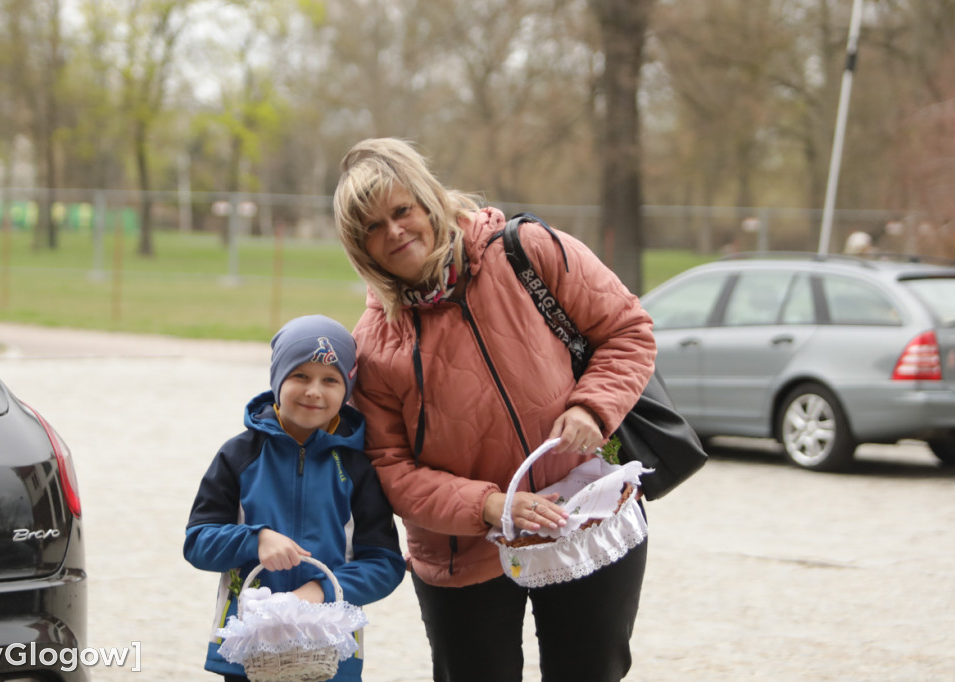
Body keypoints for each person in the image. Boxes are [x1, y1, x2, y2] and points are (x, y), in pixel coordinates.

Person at [333, 138, 657, 681]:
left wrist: (593, 409)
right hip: (463, 554)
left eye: (401, 210)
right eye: (370, 226)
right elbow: (389, 468)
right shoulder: (372, 344)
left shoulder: (526, 251)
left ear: (428, 200)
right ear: (359, 247)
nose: (392, 231)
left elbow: (628, 330)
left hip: (580, 515)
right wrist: (489, 506)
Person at [183, 314, 407, 682]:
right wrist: (254, 540)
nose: (314, 391)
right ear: (277, 379)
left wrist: (323, 590)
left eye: (330, 380)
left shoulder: (358, 467)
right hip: (248, 649)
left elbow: (384, 563)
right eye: (300, 375)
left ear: (347, 389)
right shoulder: (238, 456)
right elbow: (198, 542)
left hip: (329, 652)